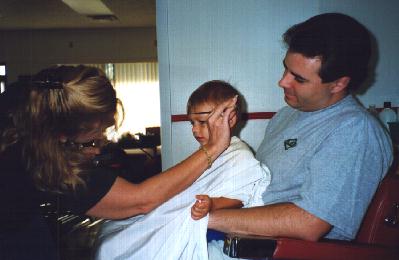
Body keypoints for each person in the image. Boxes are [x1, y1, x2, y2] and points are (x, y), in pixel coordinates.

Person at [0, 65, 237, 259]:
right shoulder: (48, 163)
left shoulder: (27, 105)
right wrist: (213, 147)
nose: (101, 138)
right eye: (99, 131)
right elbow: (141, 200)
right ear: (65, 133)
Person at [207, 12, 393, 254]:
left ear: (338, 84)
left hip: (276, 251)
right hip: (238, 235)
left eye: (299, 79)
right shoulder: (286, 115)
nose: (283, 82)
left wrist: (206, 218)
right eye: (286, 69)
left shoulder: (355, 130)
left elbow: (309, 223)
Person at [94, 80, 270, 259]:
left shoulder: (239, 156)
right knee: (113, 237)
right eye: (192, 123)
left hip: (208, 227)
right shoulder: (206, 153)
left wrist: (212, 204)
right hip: (181, 211)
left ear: (230, 119)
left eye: (201, 122)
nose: (194, 129)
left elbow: (239, 198)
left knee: (127, 248)